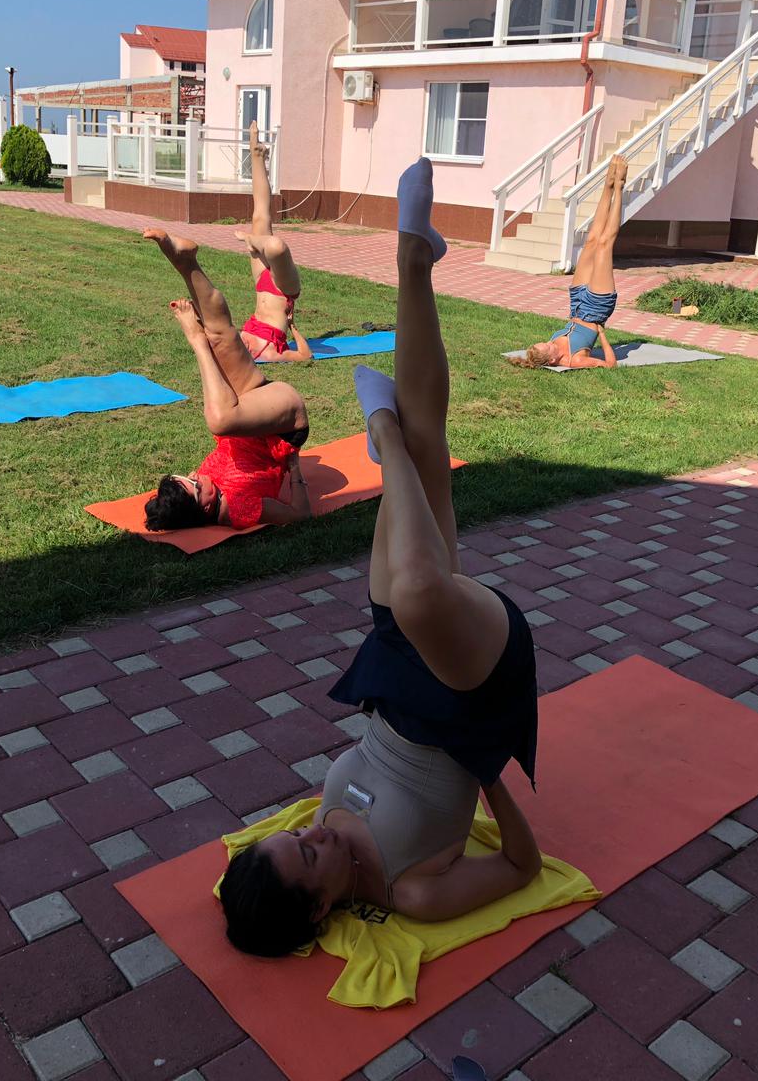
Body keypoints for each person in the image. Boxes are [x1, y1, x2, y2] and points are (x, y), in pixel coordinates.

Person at [219, 157, 542, 958]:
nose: (315, 834)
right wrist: (488, 769)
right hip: (473, 694)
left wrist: (314, 835)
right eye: (310, 858)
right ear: (319, 913)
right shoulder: (413, 893)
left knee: (429, 464)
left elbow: (348, 790)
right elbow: (522, 866)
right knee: (419, 588)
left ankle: (414, 258)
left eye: (296, 836)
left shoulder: (325, 818)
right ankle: (382, 434)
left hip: (401, 674)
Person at [141, 228, 312, 531]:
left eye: (187, 475)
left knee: (220, 335)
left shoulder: (204, 487)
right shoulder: (238, 508)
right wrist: (295, 467)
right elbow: (301, 515)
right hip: (285, 425)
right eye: (196, 484)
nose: (196, 474)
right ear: (206, 506)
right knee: (218, 420)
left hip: (250, 408)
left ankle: (186, 262)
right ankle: (197, 342)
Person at [525, 154, 629, 369]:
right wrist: (602, 334)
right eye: (548, 346)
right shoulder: (575, 360)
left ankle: (608, 185)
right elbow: (610, 364)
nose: (550, 342)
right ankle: (619, 187)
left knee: (591, 242)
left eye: (545, 342)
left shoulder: (551, 348)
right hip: (597, 309)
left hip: (577, 304)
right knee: (604, 244)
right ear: (553, 360)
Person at [234, 122, 313, 364]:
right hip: (284, 290)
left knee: (259, 216)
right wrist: (293, 327)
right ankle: (253, 241)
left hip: (262, 283)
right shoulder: (268, 353)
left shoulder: (239, 341)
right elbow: (305, 356)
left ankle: (257, 156)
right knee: (276, 246)